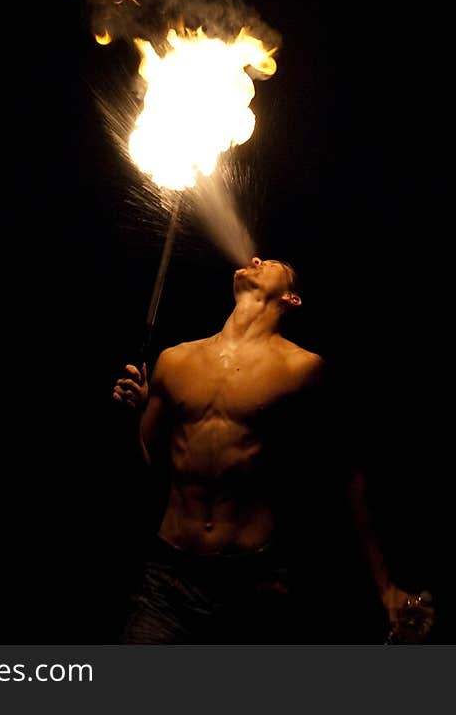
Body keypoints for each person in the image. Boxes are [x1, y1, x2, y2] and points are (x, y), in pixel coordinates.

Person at [112, 255, 434, 643]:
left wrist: (384, 587)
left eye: (271, 262)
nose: (255, 259)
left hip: (251, 582)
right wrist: (125, 421)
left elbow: (347, 474)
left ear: (291, 298)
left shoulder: (302, 369)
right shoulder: (174, 360)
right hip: (168, 577)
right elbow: (139, 469)